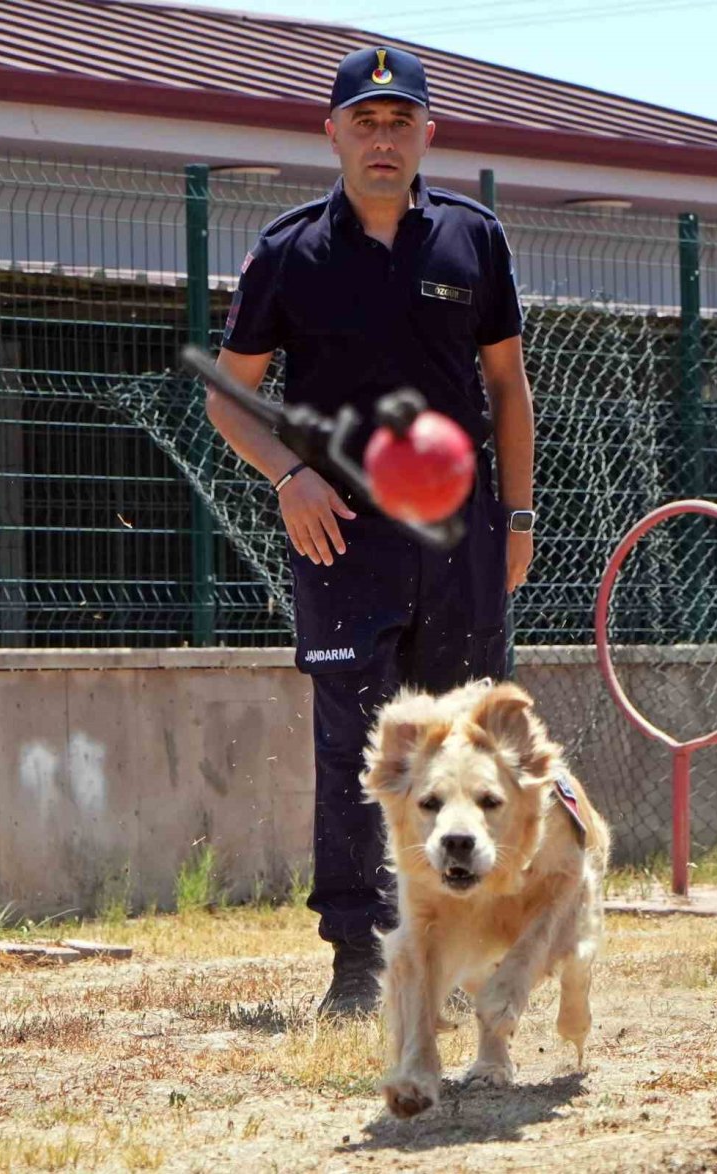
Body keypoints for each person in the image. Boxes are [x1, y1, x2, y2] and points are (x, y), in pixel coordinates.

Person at [207, 45, 535, 1017]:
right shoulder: (289, 250)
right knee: (356, 748)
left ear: (428, 132)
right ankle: (357, 960)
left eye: (400, 122)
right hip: (341, 539)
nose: (382, 138)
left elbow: (509, 387)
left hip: (462, 538)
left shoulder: (473, 238)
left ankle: (461, 949)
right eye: (365, 121)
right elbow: (229, 396)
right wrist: (289, 476)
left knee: (466, 749)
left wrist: (518, 517)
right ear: (333, 133)